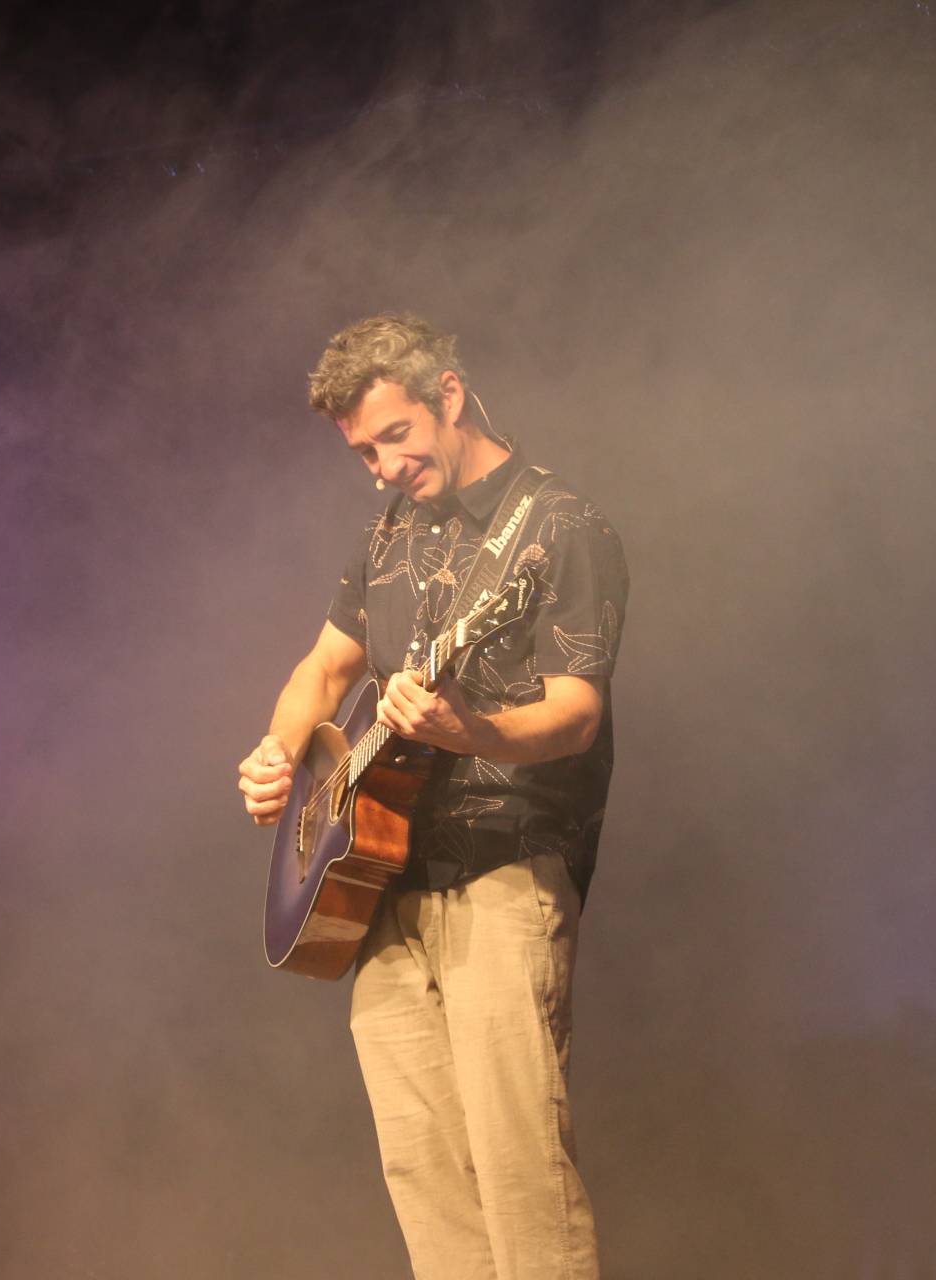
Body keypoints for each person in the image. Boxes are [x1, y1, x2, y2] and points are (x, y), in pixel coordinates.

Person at [238, 313, 628, 1279]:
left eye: (395, 438)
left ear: (449, 395)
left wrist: (472, 731)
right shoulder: (387, 533)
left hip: (502, 871)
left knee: (520, 1171)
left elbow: (577, 714)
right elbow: (324, 670)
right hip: (378, 887)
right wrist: (279, 753)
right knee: (424, 1175)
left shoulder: (563, 527)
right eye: (363, 453)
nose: (381, 470)